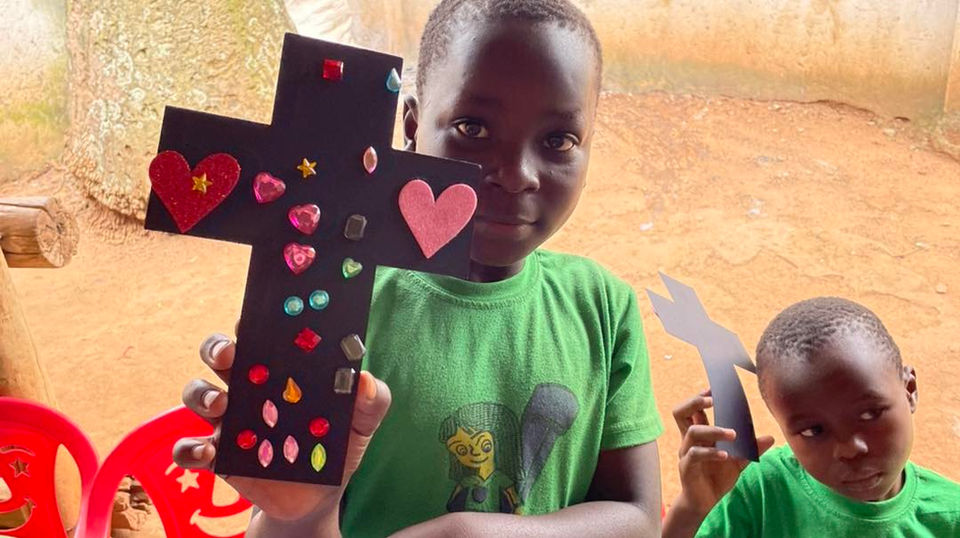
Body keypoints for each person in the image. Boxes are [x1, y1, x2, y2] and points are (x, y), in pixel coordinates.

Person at [173, 0, 665, 535]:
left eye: (559, 140)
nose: (517, 174)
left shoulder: (602, 306)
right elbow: (287, 521)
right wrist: (300, 510)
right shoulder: (334, 300)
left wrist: (469, 532)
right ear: (410, 125)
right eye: (473, 128)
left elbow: (638, 517)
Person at [663, 297, 960, 537]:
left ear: (909, 390)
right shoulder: (760, 493)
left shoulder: (949, 517)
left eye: (870, 413)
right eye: (813, 431)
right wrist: (693, 508)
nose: (850, 448)